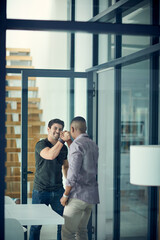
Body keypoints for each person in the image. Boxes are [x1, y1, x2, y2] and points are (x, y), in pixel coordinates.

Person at [29, 118, 70, 240]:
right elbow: (50, 155)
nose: (57, 131)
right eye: (55, 128)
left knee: (62, 224)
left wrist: (68, 184)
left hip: (58, 191)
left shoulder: (63, 148)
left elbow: (66, 166)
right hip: (40, 191)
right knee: (36, 226)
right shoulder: (41, 144)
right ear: (48, 129)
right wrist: (62, 140)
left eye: (60, 129)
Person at [60, 116, 100, 240]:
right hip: (91, 197)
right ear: (85, 128)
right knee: (82, 231)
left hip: (77, 196)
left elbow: (73, 172)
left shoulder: (77, 145)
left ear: (72, 128)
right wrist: (68, 142)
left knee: (67, 233)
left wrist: (65, 195)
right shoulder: (93, 144)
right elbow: (79, 155)